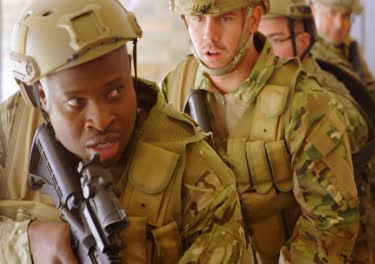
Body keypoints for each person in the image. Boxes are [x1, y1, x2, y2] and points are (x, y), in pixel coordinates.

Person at [0, 0, 248, 263]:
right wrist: (26, 242)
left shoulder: (198, 172)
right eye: (76, 102)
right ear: (41, 95)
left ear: (129, 68)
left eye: (115, 91)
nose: (102, 120)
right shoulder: (11, 127)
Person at [162, 0, 365, 262]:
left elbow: (332, 223)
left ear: (253, 19)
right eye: (198, 18)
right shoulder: (175, 87)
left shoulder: (304, 103)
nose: (208, 36)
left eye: (225, 18)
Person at [258, 1, 375, 263]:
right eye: (334, 14)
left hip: (346, 217)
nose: (340, 24)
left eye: (274, 40)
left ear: (303, 40)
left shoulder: (323, 71)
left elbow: (369, 110)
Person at [310, 0, 375, 262]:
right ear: (313, 8)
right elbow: (355, 113)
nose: (340, 24)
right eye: (333, 13)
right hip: (343, 180)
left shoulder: (348, 50)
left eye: (346, 16)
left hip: (369, 179)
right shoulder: (311, 56)